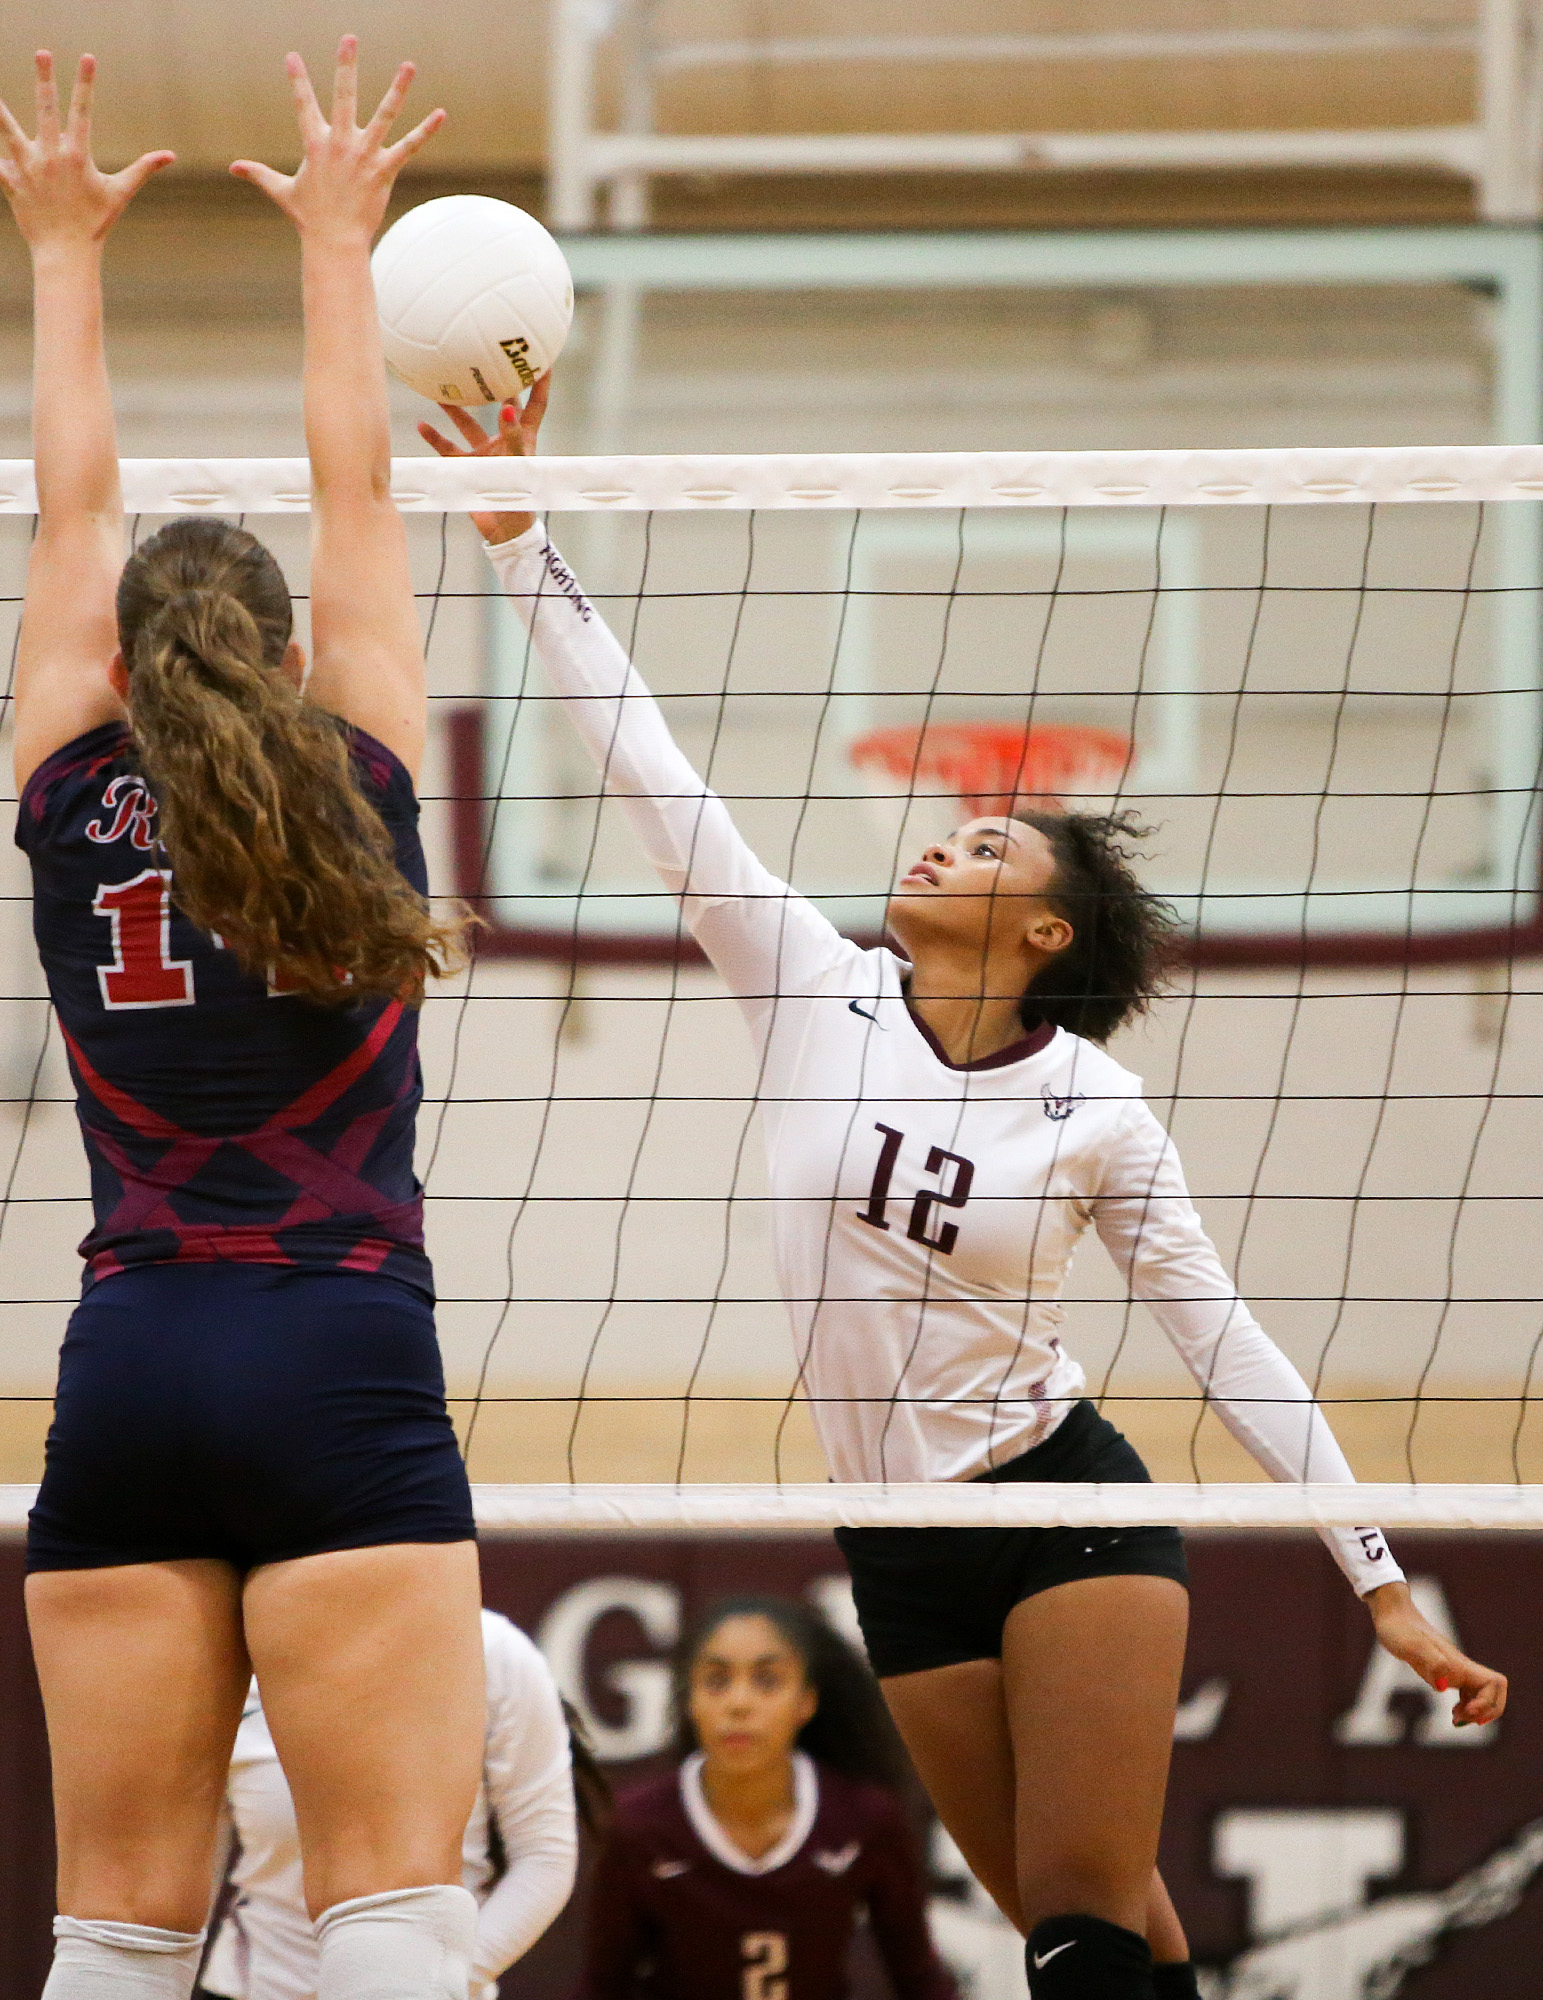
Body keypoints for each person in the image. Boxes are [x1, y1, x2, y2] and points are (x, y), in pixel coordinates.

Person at [421, 382, 1509, 2000]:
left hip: (1059, 1505)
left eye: (989, 850)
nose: (942, 846)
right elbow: (650, 772)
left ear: (1045, 934)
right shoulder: (809, 984)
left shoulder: (1096, 1113)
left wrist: (1380, 1586)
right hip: (894, 1538)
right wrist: (521, 540)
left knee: (1074, 1925)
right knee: (1101, 1927)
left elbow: (1226, 1348)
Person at [0, 41, 486, 2000]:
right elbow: (359, 481)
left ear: (116, 656)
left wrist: (59, 249)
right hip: (339, 1351)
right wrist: (341, 244)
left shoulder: (64, 776)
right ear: (286, 648)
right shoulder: (361, 767)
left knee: (113, 1925)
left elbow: (68, 501)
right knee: (386, 1904)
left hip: (133, 1367)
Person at [200, 1609, 598, 2000]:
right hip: (254, 1987)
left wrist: (430, 1988)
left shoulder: (493, 1649)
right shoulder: (234, 1656)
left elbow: (544, 1857)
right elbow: (191, 1860)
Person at [584, 1596, 954, 2000]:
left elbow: (919, 1979)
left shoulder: (864, 1819)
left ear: (806, 1702)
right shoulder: (638, 1828)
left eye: (767, 1680)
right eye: (716, 1681)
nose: (739, 1704)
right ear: (690, 1700)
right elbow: (601, 1987)